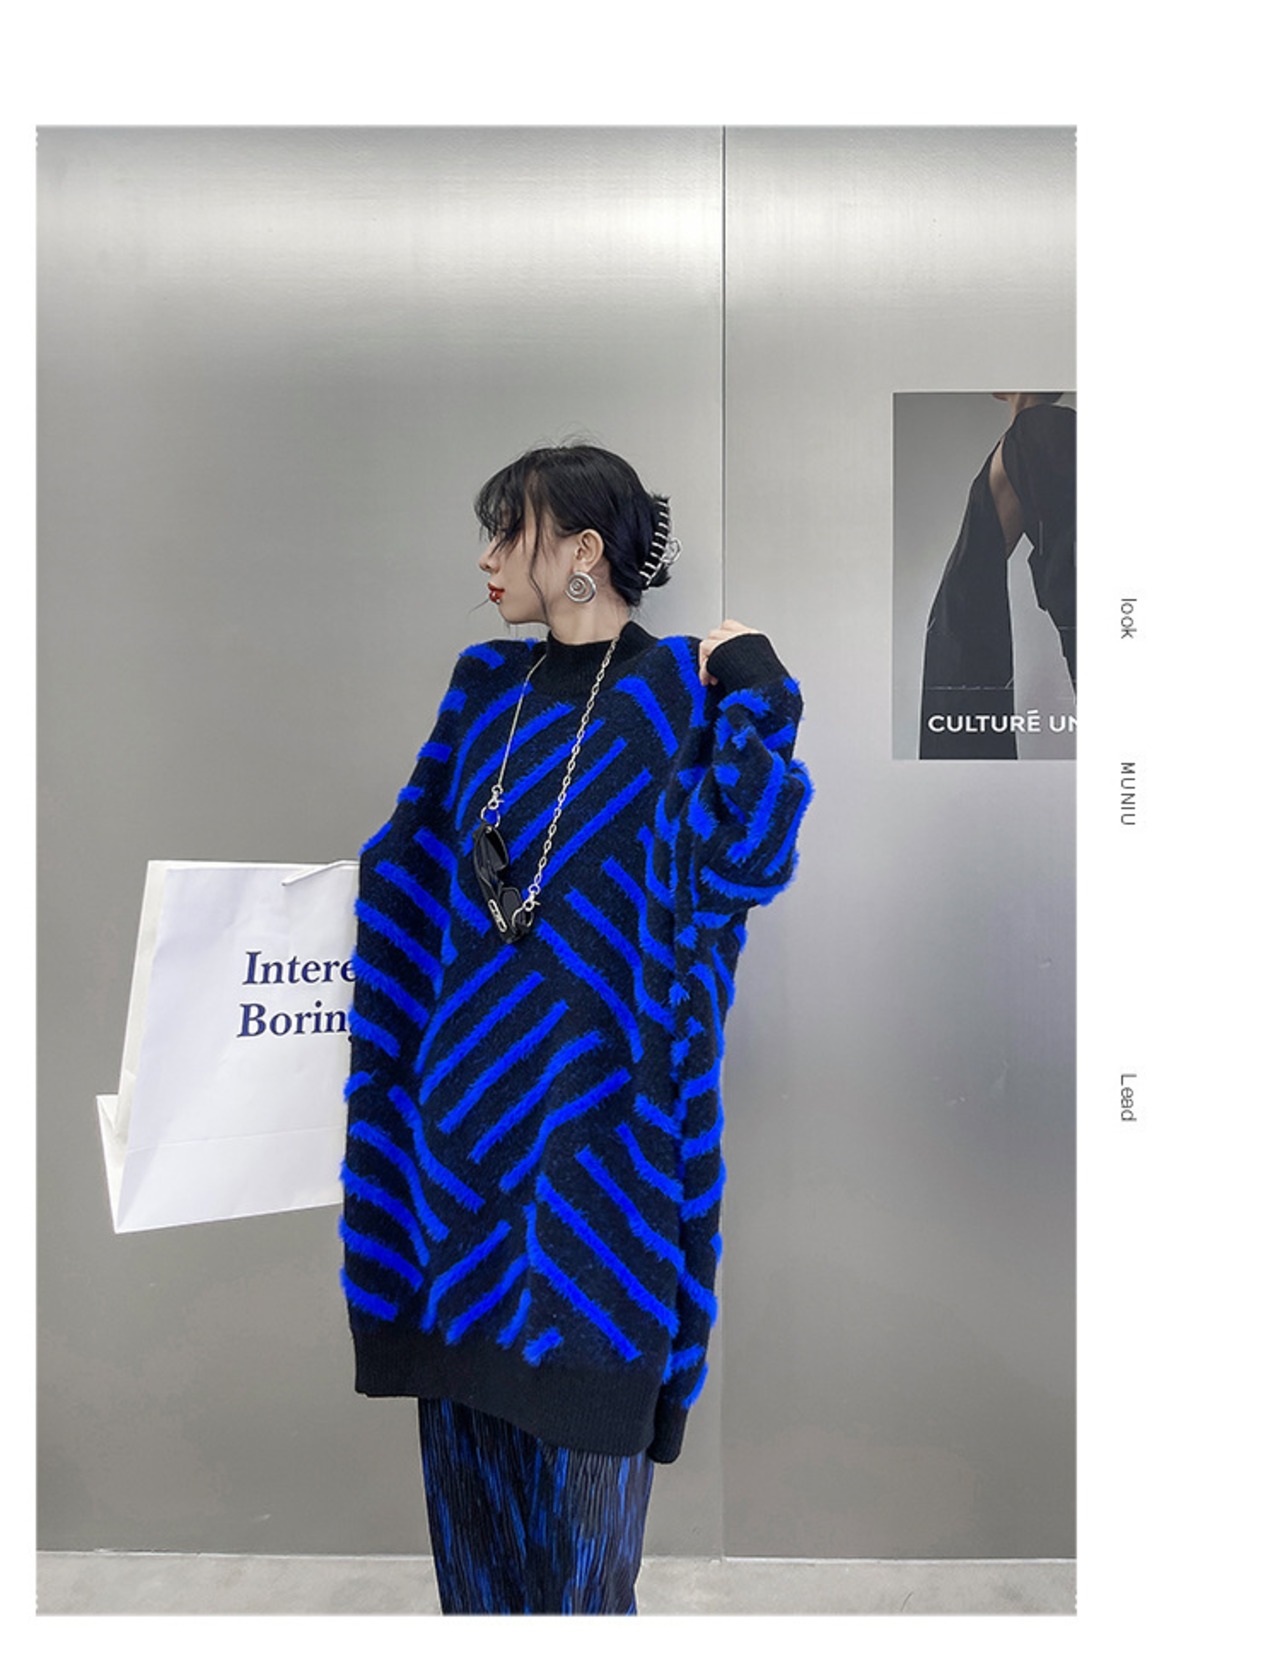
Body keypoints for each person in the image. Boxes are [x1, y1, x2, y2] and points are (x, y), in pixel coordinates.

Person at [339, 443, 814, 1614]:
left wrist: (760, 693)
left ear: (583, 551)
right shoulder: (481, 692)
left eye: (510, 532)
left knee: (581, 1585)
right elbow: (405, 874)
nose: (487, 558)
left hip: (596, 1186)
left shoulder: (674, 696)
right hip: (454, 1185)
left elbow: (743, 860)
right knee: (475, 1577)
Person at [919, 393, 1076, 759]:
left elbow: (1073, 561)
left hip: (960, 650)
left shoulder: (1044, 429)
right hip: (955, 646)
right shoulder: (1028, 433)